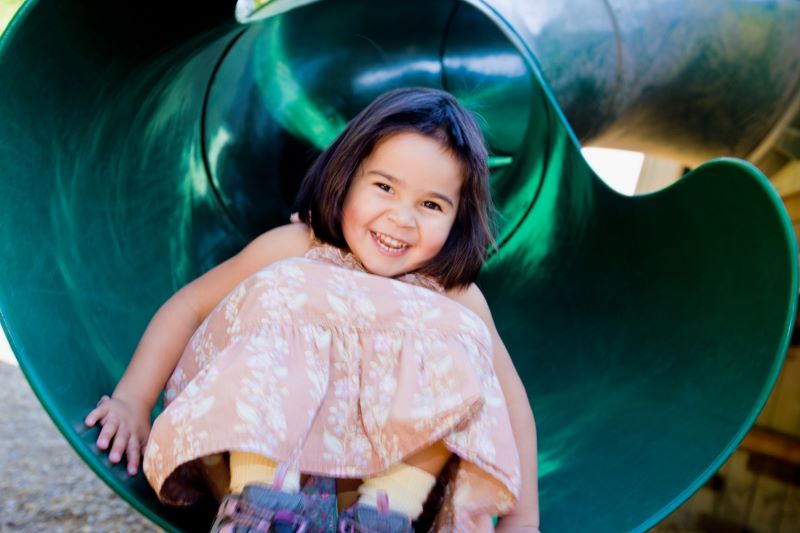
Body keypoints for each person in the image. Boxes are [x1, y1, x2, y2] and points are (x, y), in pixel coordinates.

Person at [84, 87, 540, 532]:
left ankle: (385, 512)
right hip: (252, 462)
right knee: (289, 287)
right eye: (384, 186)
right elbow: (188, 306)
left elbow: (510, 402)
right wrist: (133, 400)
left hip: (365, 496)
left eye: (430, 204)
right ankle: (262, 504)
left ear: (459, 218)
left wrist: (523, 519)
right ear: (346, 178)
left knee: (458, 340)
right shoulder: (299, 247)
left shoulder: (453, 296)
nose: (402, 218)